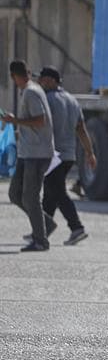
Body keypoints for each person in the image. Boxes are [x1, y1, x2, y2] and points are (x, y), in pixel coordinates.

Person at [37, 67, 96, 245]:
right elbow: (81, 129)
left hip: (53, 155)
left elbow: (41, 124)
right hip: (69, 155)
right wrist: (89, 152)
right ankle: (41, 230)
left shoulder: (47, 100)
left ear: (51, 81)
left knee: (58, 192)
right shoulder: (72, 100)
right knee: (50, 192)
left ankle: (76, 228)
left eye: (43, 80)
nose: (41, 83)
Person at [3, 60, 54, 252]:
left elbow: (40, 121)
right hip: (28, 152)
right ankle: (45, 224)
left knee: (30, 197)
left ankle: (41, 240)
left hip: (37, 153)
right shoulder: (30, 90)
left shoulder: (31, 92)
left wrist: (15, 120)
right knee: (15, 194)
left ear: (14, 76)